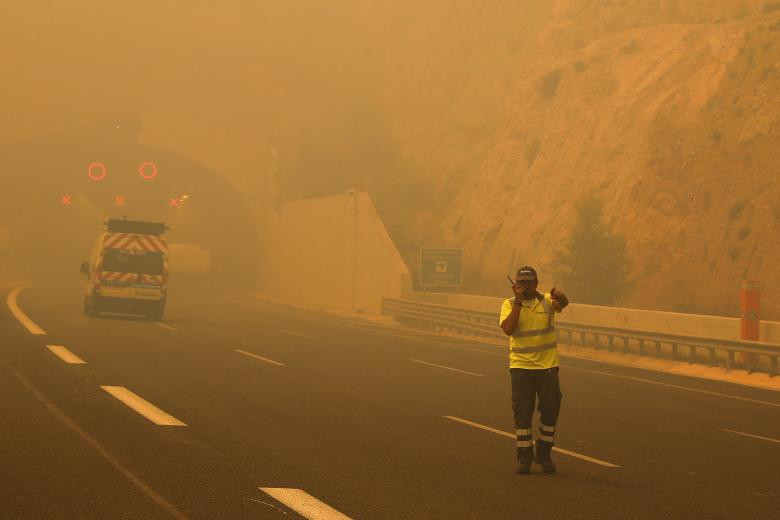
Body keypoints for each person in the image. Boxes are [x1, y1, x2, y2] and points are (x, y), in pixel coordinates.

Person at [499, 266, 569, 474]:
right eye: (522, 282)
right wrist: (519, 302)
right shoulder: (509, 304)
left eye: (530, 282)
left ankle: (544, 452)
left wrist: (563, 297)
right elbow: (508, 329)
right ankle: (524, 457)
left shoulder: (546, 301)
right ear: (516, 285)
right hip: (521, 366)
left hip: (547, 366)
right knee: (522, 413)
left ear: (537, 283)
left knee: (550, 409)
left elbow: (561, 304)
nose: (526, 286)